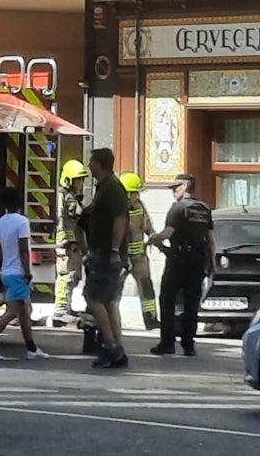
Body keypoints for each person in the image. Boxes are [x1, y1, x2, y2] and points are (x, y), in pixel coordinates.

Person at [0, 187, 49, 360]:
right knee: (12, 311)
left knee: (24, 311)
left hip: (7, 271)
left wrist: (6, 262)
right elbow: (24, 249)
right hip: (18, 273)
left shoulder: (0, 222)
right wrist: (28, 272)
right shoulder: (22, 222)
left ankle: (31, 348)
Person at [147, 173, 215, 357]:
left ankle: (167, 342)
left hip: (179, 259)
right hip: (199, 260)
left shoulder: (178, 208)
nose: (173, 192)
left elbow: (168, 233)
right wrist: (212, 264)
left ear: (185, 187)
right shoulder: (204, 208)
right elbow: (210, 240)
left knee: (167, 299)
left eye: (176, 188)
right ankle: (189, 344)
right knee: (191, 303)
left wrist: (154, 239)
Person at [82, 148, 129, 369]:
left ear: (100, 164)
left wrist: (113, 250)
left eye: (91, 161)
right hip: (103, 251)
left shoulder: (113, 188)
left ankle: (110, 346)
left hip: (106, 253)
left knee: (93, 297)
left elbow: (120, 219)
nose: (89, 165)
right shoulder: (104, 187)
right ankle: (117, 348)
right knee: (109, 300)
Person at [118, 172, 161, 330]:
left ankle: (151, 319)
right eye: (135, 192)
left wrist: (156, 240)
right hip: (121, 258)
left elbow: (148, 227)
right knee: (116, 290)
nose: (137, 196)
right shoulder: (116, 211)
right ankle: (113, 320)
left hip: (139, 257)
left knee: (146, 287)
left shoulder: (140, 207)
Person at [53, 159, 90, 326]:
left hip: (73, 243)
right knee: (66, 276)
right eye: (77, 179)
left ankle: (66, 308)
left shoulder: (70, 196)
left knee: (73, 276)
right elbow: (68, 216)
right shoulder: (65, 196)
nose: (80, 183)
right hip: (67, 244)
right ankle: (60, 311)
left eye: (81, 179)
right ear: (68, 179)